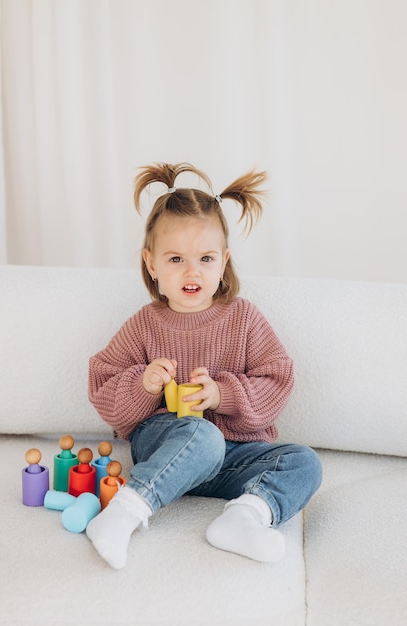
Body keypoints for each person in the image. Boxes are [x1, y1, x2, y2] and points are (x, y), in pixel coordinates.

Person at [86, 162, 322, 570]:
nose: (192, 270)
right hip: (169, 447)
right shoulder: (146, 323)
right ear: (152, 264)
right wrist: (143, 384)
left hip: (233, 459)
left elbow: (277, 378)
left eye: (205, 258)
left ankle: (244, 517)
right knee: (202, 434)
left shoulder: (244, 319)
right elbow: (102, 385)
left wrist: (222, 393)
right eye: (176, 258)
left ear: (223, 261)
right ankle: (125, 512)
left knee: (305, 463)